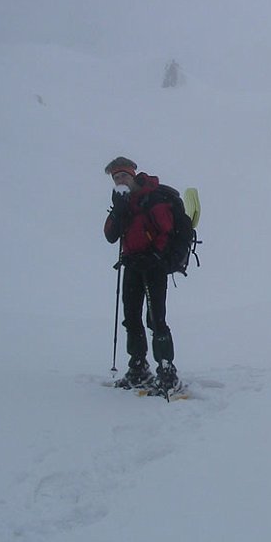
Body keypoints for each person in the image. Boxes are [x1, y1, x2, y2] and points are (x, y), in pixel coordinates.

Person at [104, 156, 180, 394]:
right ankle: (138, 367)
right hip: (133, 265)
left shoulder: (152, 198)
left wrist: (156, 256)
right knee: (131, 317)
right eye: (116, 178)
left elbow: (167, 231)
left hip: (153, 266)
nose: (120, 180)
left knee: (156, 318)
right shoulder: (122, 201)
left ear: (132, 175)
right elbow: (110, 235)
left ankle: (167, 372)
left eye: (123, 175)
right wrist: (118, 211)